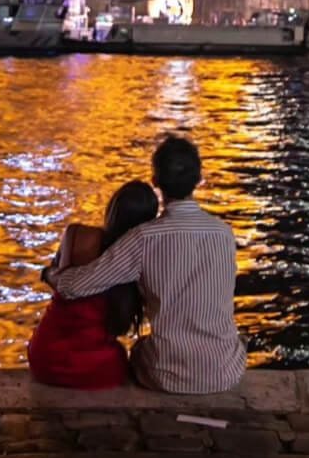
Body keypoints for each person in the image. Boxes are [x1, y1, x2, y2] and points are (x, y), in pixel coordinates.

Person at [46, 135, 247, 393]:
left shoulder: (144, 238)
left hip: (168, 375)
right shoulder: (224, 234)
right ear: (198, 180)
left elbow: (73, 286)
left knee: (139, 349)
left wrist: (50, 273)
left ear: (155, 181)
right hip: (225, 372)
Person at [28, 180, 158, 388]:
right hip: (93, 366)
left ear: (112, 209)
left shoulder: (76, 234)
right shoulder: (139, 261)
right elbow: (121, 327)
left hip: (44, 356)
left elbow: (57, 276)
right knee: (124, 358)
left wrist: (48, 274)